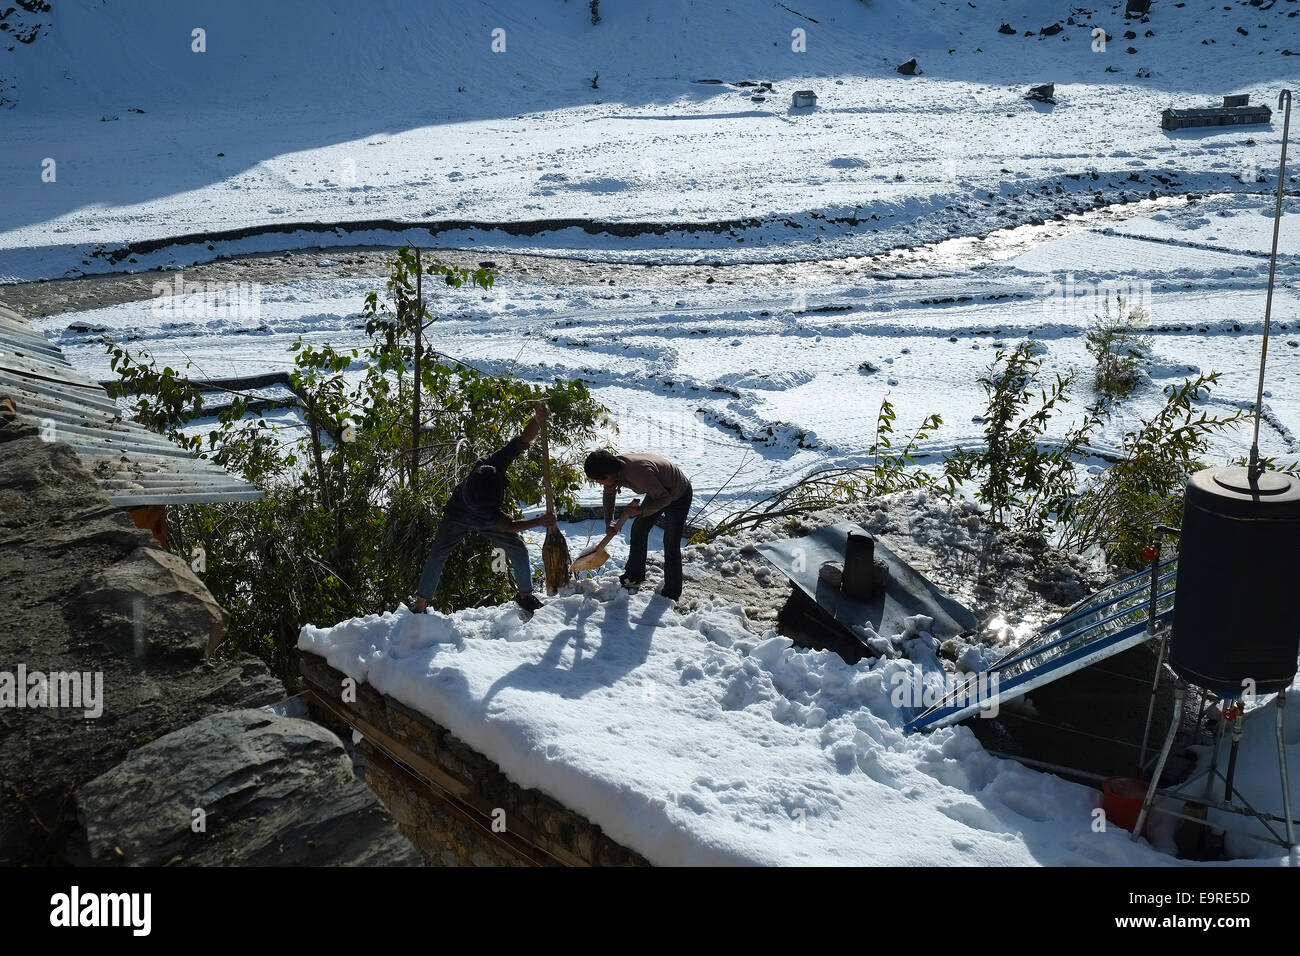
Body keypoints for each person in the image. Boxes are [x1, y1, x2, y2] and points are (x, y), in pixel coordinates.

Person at [412, 402, 556, 616]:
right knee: (438, 555)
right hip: (457, 515)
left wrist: (536, 419)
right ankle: (420, 606)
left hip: (481, 512)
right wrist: (538, 521)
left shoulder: (490, 465)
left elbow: (523, 440)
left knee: (517, 550)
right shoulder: (481, 506)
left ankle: (525, 596)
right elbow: (509, 526)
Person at [584, 448, 693, 601]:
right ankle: (634, 577)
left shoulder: (638, 473)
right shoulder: (613, 469)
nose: (598, 483)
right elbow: (609, 494)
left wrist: (642, 511)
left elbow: (665, 499)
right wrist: (609, 521)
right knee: (638, 530)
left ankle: (672, 592)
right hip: (658, 490)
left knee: (671, 542)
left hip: (678, 493)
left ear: (608, 475)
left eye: (598, 480)